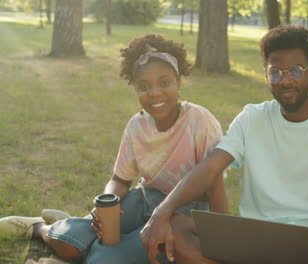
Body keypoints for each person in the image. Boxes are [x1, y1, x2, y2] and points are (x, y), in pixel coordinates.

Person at [140, 25, 308, 264]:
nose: (285, 81)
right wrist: (162, 212)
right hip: (250, 242)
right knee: (176, 226)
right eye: (275, 72)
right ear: (266, 75)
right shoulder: (252, 118)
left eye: (295, 70)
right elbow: (210, 168)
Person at [0, 34, 228, 264]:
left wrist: (220, 237)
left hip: (182, 214)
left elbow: (215, 182)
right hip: (144, 200)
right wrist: (107, 204)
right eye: (143, 86)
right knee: (69, 242)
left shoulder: (200, 121)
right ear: (135, 88)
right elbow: (120, 179)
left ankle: (85, 246)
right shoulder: (137, 125)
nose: (155, 93)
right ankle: (39, 227)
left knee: (104, 260)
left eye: (165, 82)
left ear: (179, 82)